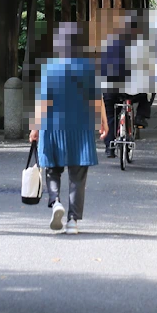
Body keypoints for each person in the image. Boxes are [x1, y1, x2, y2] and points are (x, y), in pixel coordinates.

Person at [30, 23, 103, 234]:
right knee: (77, 177)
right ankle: (72, 222)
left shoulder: (50, 68)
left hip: (52, 128)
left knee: (52, 170)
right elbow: (96, 99)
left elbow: (42, 102)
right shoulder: (88, 68)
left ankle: (55, 202)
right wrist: (104, 123)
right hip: (80, 129)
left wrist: (35, 128)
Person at [99, 14, 134, 158]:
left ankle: (109, 147)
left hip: (108, 87)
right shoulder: (133, 46)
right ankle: (139, 119)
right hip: (126, 87)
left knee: (109, 114)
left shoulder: (106, 45)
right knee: (142, 97)